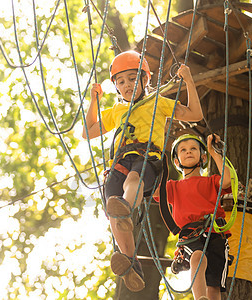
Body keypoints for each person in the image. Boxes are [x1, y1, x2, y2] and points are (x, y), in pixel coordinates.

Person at [82, 50, 203, 292]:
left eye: (132, 79)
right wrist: (94, 100)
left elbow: (195, 114)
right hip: (119, 162)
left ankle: (126, 207)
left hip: (148, 160)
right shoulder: (117, 111)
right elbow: (89, 131)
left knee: (133, 179)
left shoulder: (157, 102)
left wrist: (188, 80)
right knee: (111, 202)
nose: (127, 85)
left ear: (145, 80)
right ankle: (130, 263)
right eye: (121, 82)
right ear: (116, 88)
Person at [166, 133, 232, 300]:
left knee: (214, 285)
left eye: (193, 148)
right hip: (191, 233)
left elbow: (227, 181)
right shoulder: (173, 187)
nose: (188, 152)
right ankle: (199, 298)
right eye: (183, 150)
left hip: (216, 232)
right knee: (197, 256)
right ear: (176, 161)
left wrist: (213, 152)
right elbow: (152, 190)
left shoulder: (210, 182)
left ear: (202, 157)